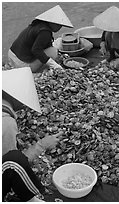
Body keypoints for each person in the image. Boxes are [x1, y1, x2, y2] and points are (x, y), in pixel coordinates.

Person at [2, 67, 63, 202]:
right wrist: (42, 145)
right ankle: (35, 198)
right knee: (15, 160)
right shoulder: (5, 121)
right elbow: (8, 165)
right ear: (14, 97)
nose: (24, 105)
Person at [8, 5, 73, 73]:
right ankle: (37, 72)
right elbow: (36, 50)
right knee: (53, 51)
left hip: (12, 55)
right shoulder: (45, 32)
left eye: (61, 26)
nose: (59, 28)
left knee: (50, 50)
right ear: (51, 22)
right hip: (21, 63)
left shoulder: (39, 24)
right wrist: (54, 65)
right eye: (58, 25)